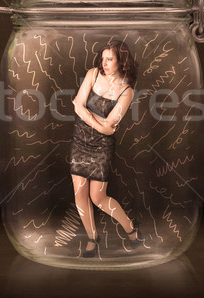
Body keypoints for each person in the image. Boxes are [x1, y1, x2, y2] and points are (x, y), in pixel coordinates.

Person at [70, 40, 142, 258]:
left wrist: (90, 117)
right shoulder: (92, 74)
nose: (104, 63)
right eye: (103, 58)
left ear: (122, 61)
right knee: (80, 193)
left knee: (98, 197)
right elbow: (77, 105)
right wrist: (99, 124)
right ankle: (93, 238)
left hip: (102, 147)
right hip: (80, 140)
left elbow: (110, 124)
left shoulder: (126, 91)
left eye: (110, 59)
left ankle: (131, 228)